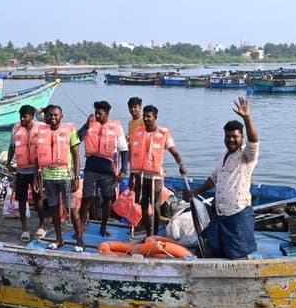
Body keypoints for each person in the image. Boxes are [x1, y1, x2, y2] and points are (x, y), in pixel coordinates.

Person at [184, 97, 260, 258]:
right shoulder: (223, 155)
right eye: (228, 136)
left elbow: (254, 140)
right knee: (211, 250)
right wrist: (195, 192)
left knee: (237, 254)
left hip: (238, 213)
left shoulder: (247, 155)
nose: (231, 140)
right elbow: (214, 179)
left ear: (242, 137)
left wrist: (247, 118)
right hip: (220, 214)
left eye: (235, 136)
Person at [129, 104, 186, 237]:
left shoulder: (163, 134)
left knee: (155, 206)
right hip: (140, 175)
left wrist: (181, 164)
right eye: (144, 116)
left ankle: (154, 233)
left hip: (155, 177)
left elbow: (174, 152)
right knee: (143, 204)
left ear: (155, 117)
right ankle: (148, 233)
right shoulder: (138, 132)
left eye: (149, 116)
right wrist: (132, 176)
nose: (146, 119)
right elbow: (133, 155)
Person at [32, 104, 83, 251]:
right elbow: (36, 157)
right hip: (48, 177)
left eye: (55, 115)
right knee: (53, 208)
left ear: (61, 116)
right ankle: (59, 239)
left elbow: (76, 155)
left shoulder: (70, 131)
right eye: (50, 115)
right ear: (46, 117)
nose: (52, 117)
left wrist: (76, 177)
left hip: (66, 176)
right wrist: (36, 177)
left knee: (71, 209)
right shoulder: (41, 132)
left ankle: (80, 240)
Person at [77, 100, 129, 237]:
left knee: (108, 199)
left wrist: (124, 170)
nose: (97, 116)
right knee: (87, 199)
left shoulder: (116, 127)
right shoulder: (90, 125)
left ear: (107, 114)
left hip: (108, 170)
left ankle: (103, 227)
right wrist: (86, 125)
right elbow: (77, 138)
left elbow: (124, 149)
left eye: (100, 114)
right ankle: (80, 228)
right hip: (91, 167)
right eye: (96, 113)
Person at [5, 105, 49, 242]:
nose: (22, 119)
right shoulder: (16, 128)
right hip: (21, 171)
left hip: (36, 171)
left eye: (25, 116)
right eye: (21, 117)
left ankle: (42, 226)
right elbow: (12, 146)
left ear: (32, 116)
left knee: (38, 199)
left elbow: (51, 120)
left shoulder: (41, 127)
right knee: (21, 200)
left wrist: (41, 111)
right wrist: (8, 162)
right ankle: (24, 229)